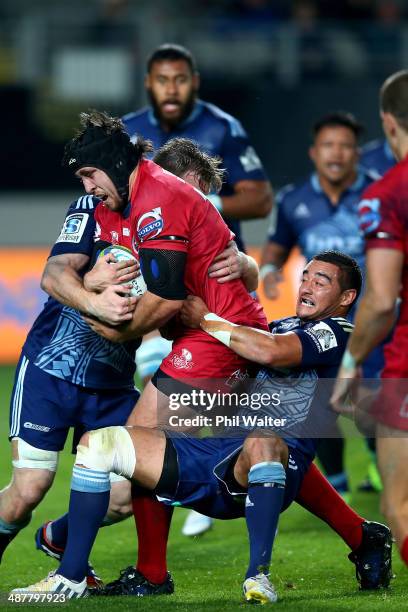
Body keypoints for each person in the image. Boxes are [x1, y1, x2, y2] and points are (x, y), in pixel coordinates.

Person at [12, 251, 392, 603]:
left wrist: (207, 320)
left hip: (258, 460)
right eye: (305, 276)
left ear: (346, 297)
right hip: (224, 451)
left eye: (321, 281)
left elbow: (271, 350)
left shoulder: (340, 331)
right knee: (105, 444)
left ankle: (257, 576)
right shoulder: (279, 324)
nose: (306, 285)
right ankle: (93, 569)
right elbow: (241, 355)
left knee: (264, 441)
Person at [0, 135, 254, 584]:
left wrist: (245, 264)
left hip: (112, 379)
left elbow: (233, 270)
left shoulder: (170, 216)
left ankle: (70, 549)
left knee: (129, 485)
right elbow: (54, 273)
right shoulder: (92, 208)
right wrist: (95, 298)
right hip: (53, 369)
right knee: (28, 490)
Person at [123, 42, 273, 537]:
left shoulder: (222, 127)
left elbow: (259, 197)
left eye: (180, 78)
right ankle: (357, 533)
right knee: (250, 430)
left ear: (194, 80)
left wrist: (194, 202)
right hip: (173, 290)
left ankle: (83, 541)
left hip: (217, 286)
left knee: (158, 436)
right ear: (149, 82)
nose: (172, 88)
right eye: (163, 79)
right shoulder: (128, 135)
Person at [260, 111, 379, 500]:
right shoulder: (294, 199)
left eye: (345, 146)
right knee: (319, 402)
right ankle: (338, 484)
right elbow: (278, 242)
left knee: (372, 404)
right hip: (324, 327)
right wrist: (272, 268)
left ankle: (382, 461)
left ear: (356, 153)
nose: (337, 153)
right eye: (329, 145)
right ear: (314, 152)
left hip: (376, 323)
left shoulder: (379, 194)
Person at [331, 69, 408, 569]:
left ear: (387, 122)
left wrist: (351, 358)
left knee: (398, 504)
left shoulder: (386, 194)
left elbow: (381, 301)